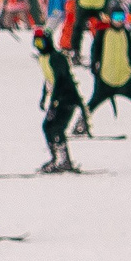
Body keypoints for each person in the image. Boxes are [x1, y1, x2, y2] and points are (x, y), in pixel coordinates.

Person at [83, 13, 131, 136]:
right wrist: (94, 66)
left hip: (125, 77)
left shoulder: (126, 33)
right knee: (93, 102)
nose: (119, 21)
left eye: (121, 18)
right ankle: (81, 126)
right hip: (106, 76)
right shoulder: (103, 32)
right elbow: (95, 50)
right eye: (116, 18)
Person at [34, 30, 83, 171]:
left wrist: (54, 103)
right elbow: (49, 80)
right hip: (58, 99)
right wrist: (44, 97)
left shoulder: (57, 58)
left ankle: (63, 160)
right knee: (48, 127)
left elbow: (60, 81)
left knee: (56, 127)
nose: (39, 46)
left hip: (67, 98)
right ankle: (57, 158)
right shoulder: (44, 58)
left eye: (41, 42)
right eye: (36, 43)